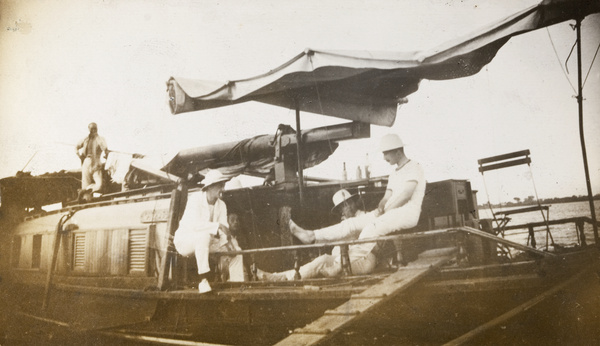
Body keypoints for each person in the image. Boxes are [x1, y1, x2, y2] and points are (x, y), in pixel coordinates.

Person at [287, 134, 426, 277]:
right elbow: (387, 196)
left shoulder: (414, 167)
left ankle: (340, 266)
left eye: (386, 153)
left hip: (407, 212)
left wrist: (385, 212)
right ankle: (311, 235)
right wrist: (380, 207)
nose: (384, 157)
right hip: (390, 212)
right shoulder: (394, 173)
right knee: (350, 224)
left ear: (397, 151)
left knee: (370, 229)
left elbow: (406, 195)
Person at [258, 188, 372, 281]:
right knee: (322, 260)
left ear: (352, 204)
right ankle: (278, 276)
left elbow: (365, 246)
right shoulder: (344, 224)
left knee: (323, 261)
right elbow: (336, 251)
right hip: (345, 261)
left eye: (344, 206)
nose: (341, 211)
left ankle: (281, 277)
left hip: (364, 260)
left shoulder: (363, 218)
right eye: (339, 209)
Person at [173, 169, 240, 293]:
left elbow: (224, 228)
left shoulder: (222, 204)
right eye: (220, 186)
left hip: (207, 243)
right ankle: (203, 280)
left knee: (237, 251)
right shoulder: (195, 199)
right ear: (210, 187)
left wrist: (229, 245)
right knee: (203, 236)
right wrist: (218, 226)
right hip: (186, 241)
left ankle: (237, 284)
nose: (223, 189)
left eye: (223, 185)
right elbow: (195, 225)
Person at [75, 122, 108, 200]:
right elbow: (76, 147)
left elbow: (105, 148)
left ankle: (85, 190)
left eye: (94, 129)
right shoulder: (85, 139)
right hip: (87, 162)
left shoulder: (100, 139)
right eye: (91, 129)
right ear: (89, 129)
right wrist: (79, 155)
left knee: (99, 186)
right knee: (86, 185)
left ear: (97, 129)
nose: (93, 130)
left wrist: (97, 137)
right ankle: (86, 195)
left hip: (96, 163)